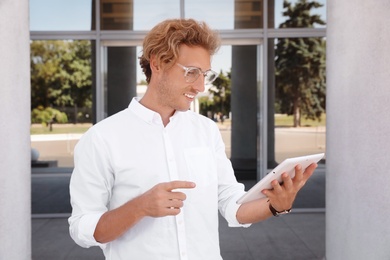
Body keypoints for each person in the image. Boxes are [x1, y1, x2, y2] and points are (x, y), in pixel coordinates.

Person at [68, 18, 317, 259]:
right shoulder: (102, 138)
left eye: (205, 74)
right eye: (191, 72)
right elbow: (82, 229)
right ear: (157, 63)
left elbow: (232, 204)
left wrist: (275, 205)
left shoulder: (207, 131)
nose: (200, 87)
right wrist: (140, 207)